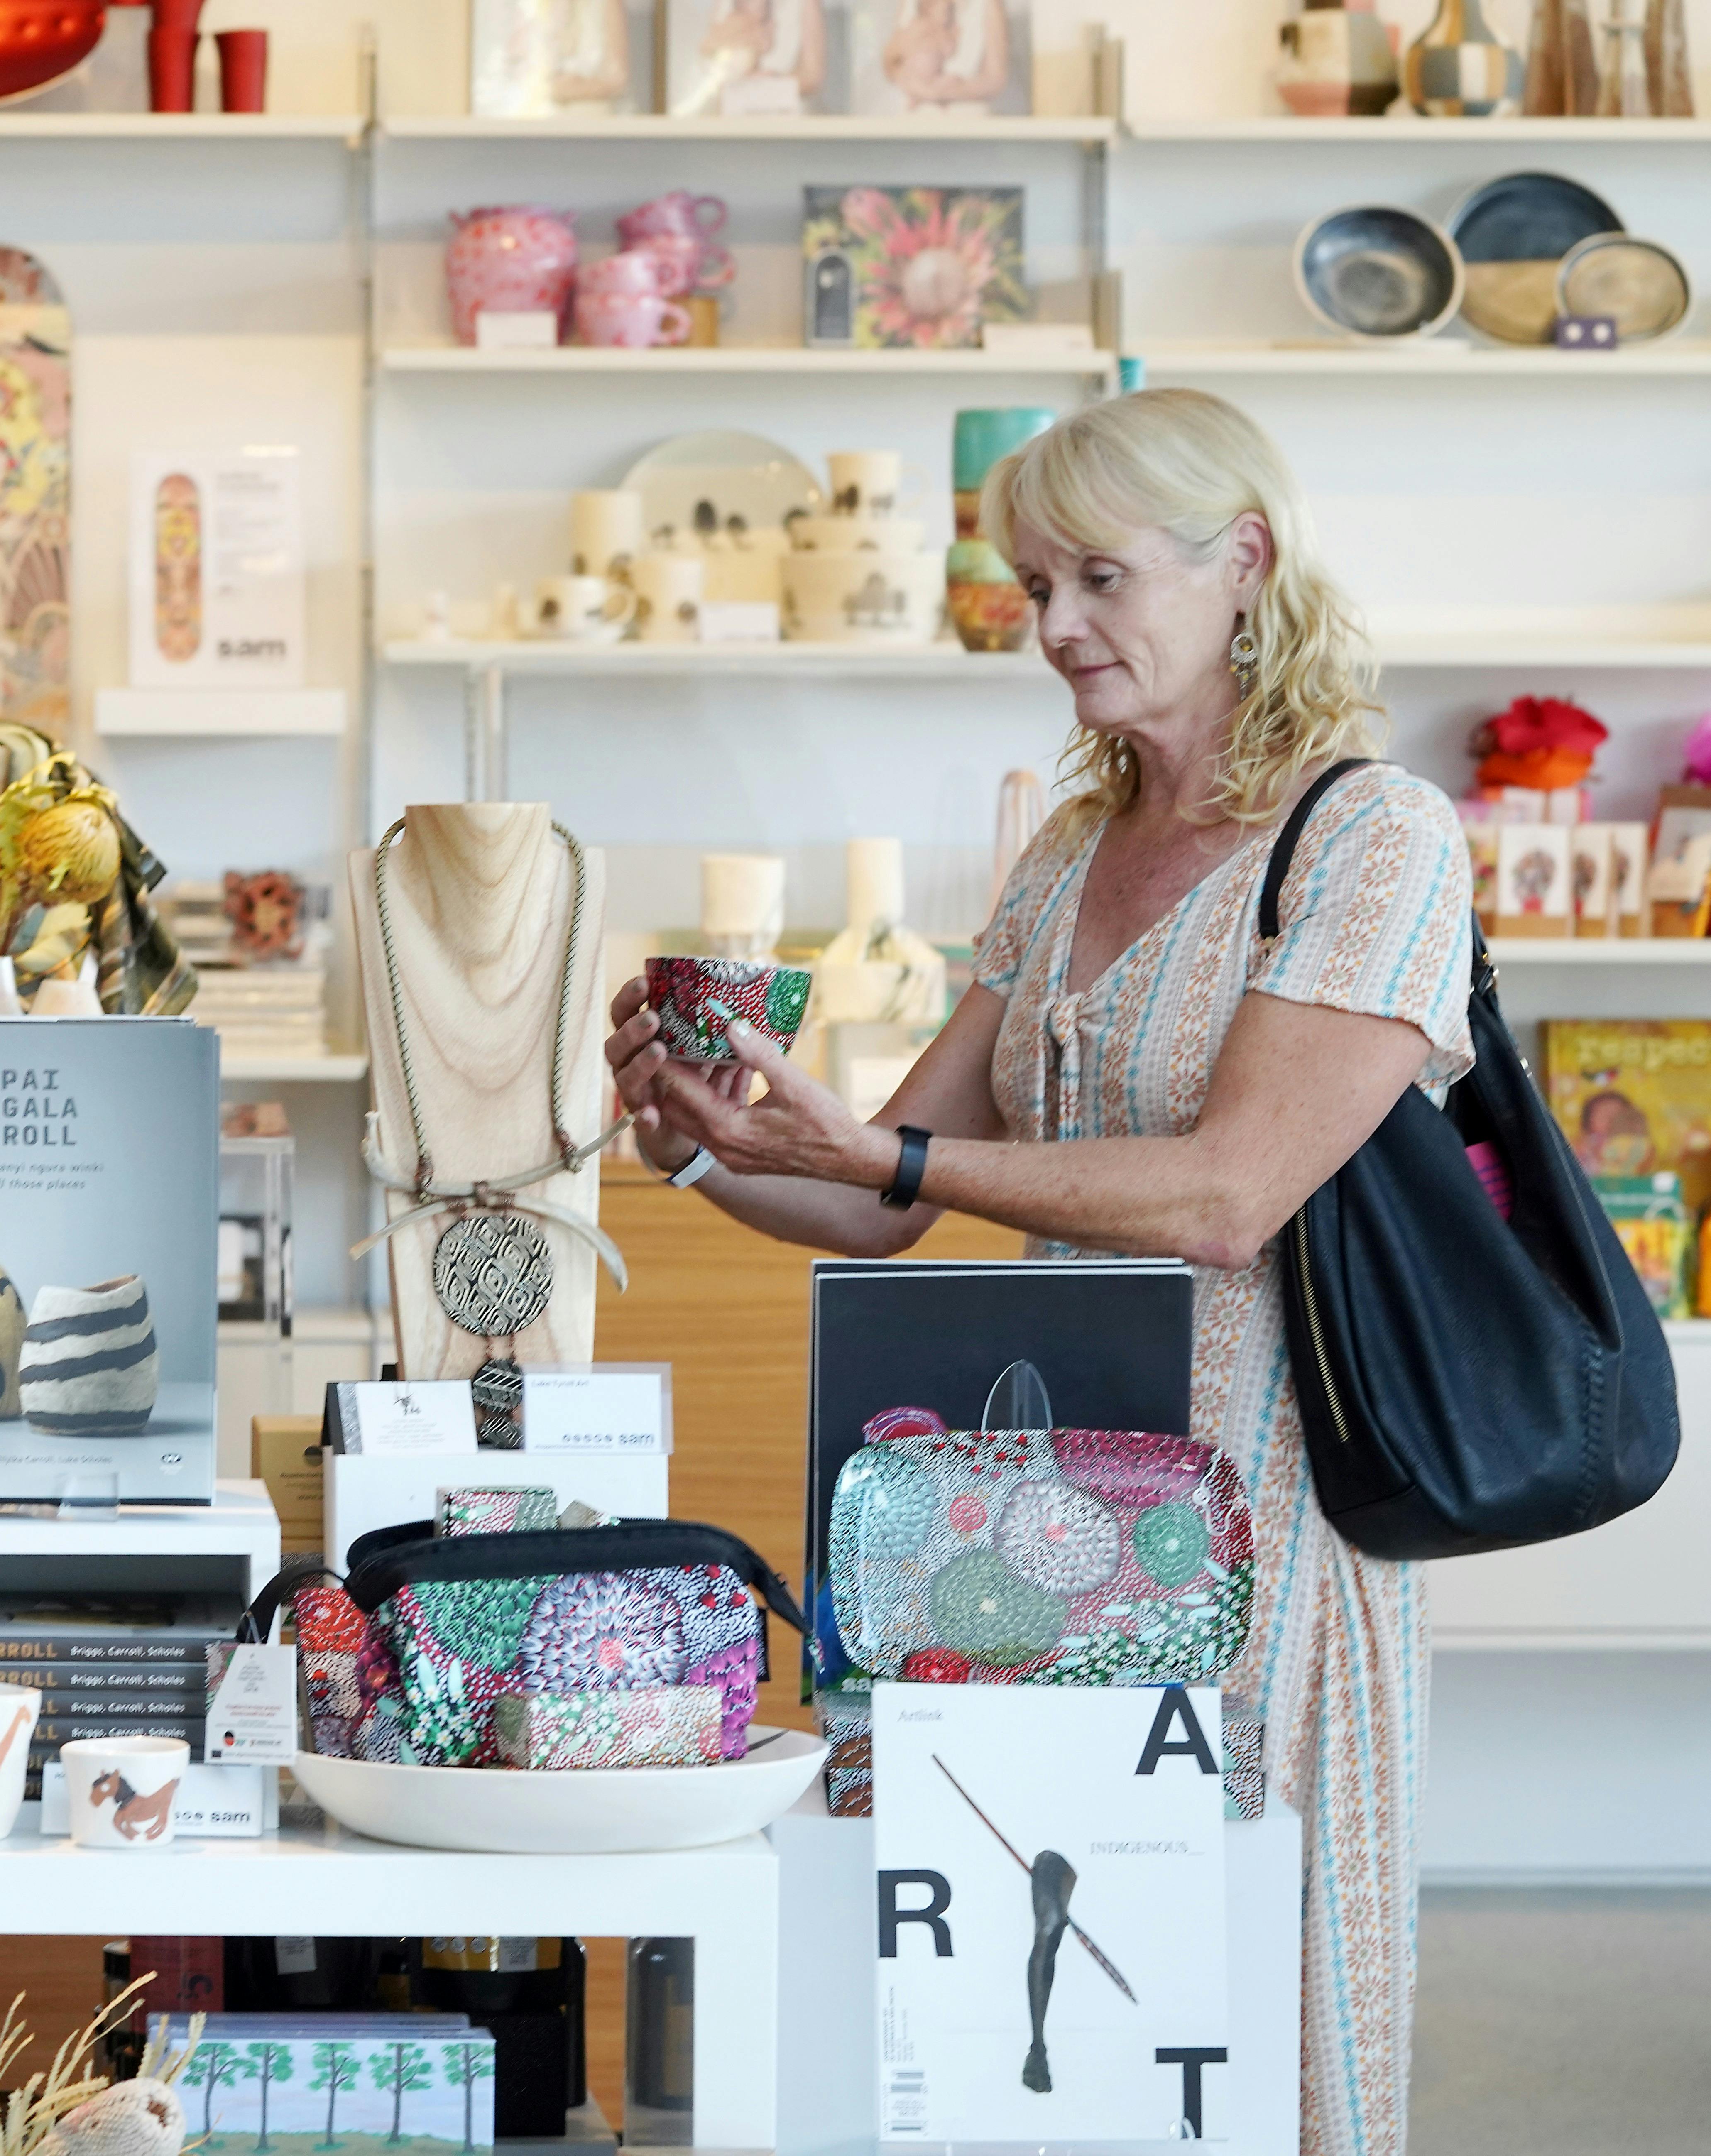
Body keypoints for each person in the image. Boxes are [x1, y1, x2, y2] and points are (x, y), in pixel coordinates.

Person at [605, 388, 1472, 2156]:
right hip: (1023, 1527)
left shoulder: (1374, 840)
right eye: (1029, 586)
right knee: (1021, 2017)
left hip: (1263, 1524)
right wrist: (707, 1141)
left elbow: (1232, 1195)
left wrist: (882, 1151)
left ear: (1245, 565)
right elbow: (884, 1206)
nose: (1055, 625)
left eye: (1098, 576)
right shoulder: (1070, 853)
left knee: (1249, 2007)